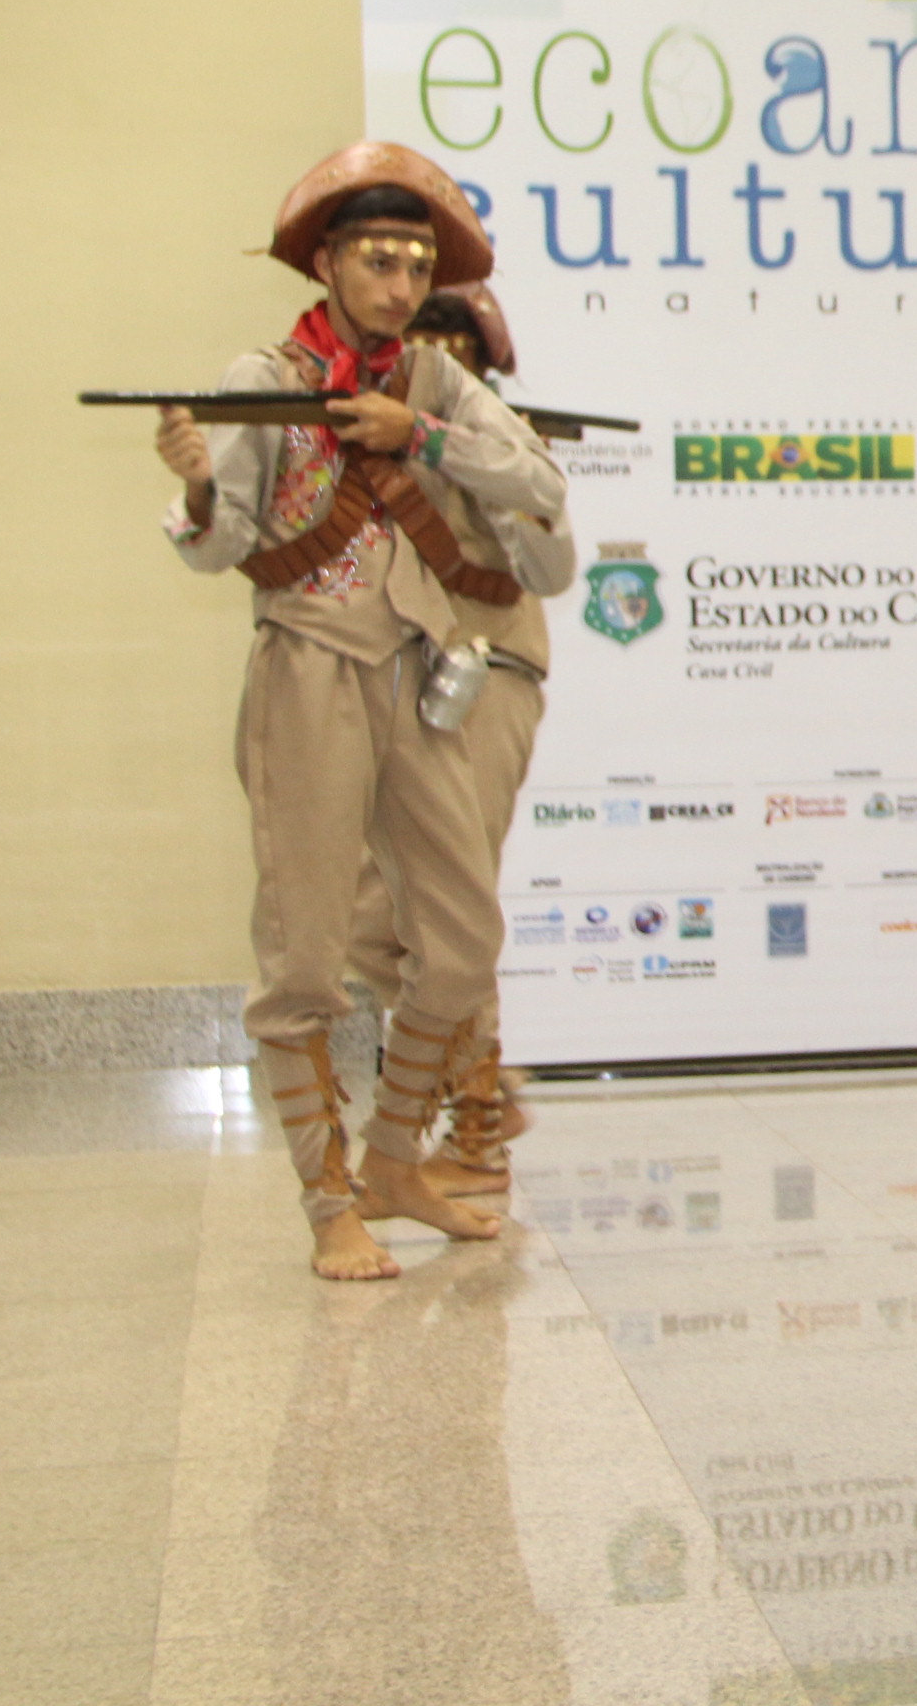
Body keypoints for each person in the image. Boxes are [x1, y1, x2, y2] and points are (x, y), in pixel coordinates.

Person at [153, 144, 571, 1280]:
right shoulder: (266, 372)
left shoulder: (434, 381)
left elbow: (541, 487)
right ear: (329, 263)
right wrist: (197, 482)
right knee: (305, 954)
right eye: (379, 261)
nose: (399, 285)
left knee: (462, 938)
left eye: (417, 265)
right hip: (309, 668)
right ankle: (327, 1200)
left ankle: (394, 1161)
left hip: (419, 673)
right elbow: (225, 543)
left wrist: (419, 436)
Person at [340, 282, 571, 1197]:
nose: (433, 356)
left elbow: (550, 561)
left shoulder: (500, 441)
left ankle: (476, 1128)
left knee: (448, 901)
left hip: (489, 674)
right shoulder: (363, 428)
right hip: (401, 677)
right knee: (371, 914)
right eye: (418, 340)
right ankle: (483, 1086)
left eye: (453, 344)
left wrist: (437, 444)